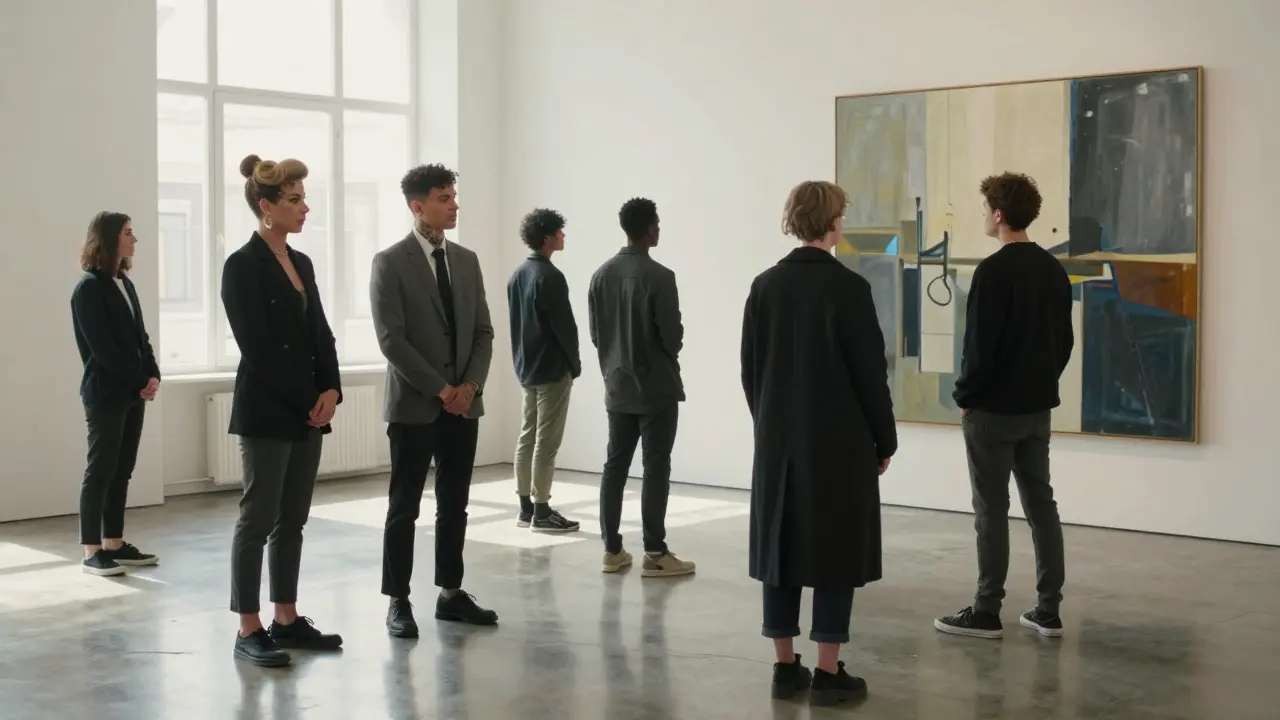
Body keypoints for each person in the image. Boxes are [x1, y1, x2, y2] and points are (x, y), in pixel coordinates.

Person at [740, 180, 897, 707]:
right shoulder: (849, 289)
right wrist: (884, 438)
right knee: (835, 546)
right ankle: (829, 671)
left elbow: (750, 369)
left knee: (779, 543)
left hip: (778, 439)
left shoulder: (764, 286)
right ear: (833, 223)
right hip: (840, 441)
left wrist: (769, 421)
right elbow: (870, 375)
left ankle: (785, 668)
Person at [934, 171, 1073, 640]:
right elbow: (1064, 342)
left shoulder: (992, 272)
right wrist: (1041, 383)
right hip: (1036, 410)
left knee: (991, 510)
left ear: (998, 214)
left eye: (985, 209)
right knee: (1042, 505)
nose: (983, 216)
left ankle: (986, 610)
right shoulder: (1053, 270)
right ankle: (1048, 610)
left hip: (991, 412)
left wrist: (965, 397)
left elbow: (979, 349)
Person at [221, 154, 344, 667]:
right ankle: (248, 627)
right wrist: (307, 400)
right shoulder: (241, 265)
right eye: (294, 200)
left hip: (308, 408)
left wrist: (331, 389)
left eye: (303, 199)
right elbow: (258, 349)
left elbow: (320, 332)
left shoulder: (303, 263)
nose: (305, 208)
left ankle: (286, 619)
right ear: (266, 206)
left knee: (292, 519)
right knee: (258, 518)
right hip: (269, 408)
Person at [371, 163, 497, 637]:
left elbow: (483, 332)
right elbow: (392, 339)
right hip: (414, 405)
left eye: (453, 196)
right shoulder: (390, 262)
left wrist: (469, 388)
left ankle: (450, 593)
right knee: (404, 506)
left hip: (463, 405)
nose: (454, 205)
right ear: (417, 206)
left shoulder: (467, 260)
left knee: (455, 503)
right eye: (444, 198)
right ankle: (398, 600)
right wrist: (442, 390)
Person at [588, 197, 694, 578]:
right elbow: (672, 336)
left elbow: (597, 335)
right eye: (657, 224)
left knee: (615, 466)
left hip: (617, 386)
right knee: (655, 467)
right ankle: (655, 552)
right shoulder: (660, 277)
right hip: (656, 387)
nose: (659, 229)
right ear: (649, 228)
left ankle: (611, 551)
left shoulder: (600, 275)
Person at [70, 211, 161, 577]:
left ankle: (113, 543)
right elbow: (103, 350)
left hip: (132, 392)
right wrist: (140, 379)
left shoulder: (125, 283)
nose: (134, 239)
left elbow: (141, 338)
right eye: (127, 233)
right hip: (106, 393)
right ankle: (91, 550)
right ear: (108, 239)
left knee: (122, 469)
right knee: (101, 470)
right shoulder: (89, 288)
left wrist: (153, 373)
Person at [506, 208, 581, 532]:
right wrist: (574, 364)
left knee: (527, 436)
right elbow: (565, 328)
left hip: (527, 368)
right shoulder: (550, 277)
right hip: (551, 369)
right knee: (546, 442)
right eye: (560, 232)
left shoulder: (518, 275)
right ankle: (542, 511)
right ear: (548, 237)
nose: (563, 236)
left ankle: (525, 508)